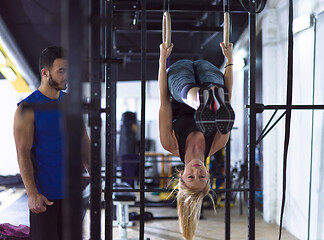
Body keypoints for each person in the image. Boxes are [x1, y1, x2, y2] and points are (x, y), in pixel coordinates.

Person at [158, 41, 234, 240]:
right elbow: (227, 100)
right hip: (209, 76)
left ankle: (202, 102)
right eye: (202, 177)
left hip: (180, 83)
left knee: (184, 88)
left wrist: (162, 59)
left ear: (181, 175)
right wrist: (229, 61)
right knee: (217, 90)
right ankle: (207, 101)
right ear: (208, 175)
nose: (197, 172)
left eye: (191, 177)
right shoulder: (218, 143)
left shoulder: (170, 143)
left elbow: (164, 100)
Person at [13, 46, 90, 240]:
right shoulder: (27, 109)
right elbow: (22, 154)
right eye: (61, 71)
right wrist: (32, 194)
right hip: (45, 198)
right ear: (45, 73)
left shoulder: (71, 104)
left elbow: (84, 143)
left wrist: (96, 178)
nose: (66, 76)